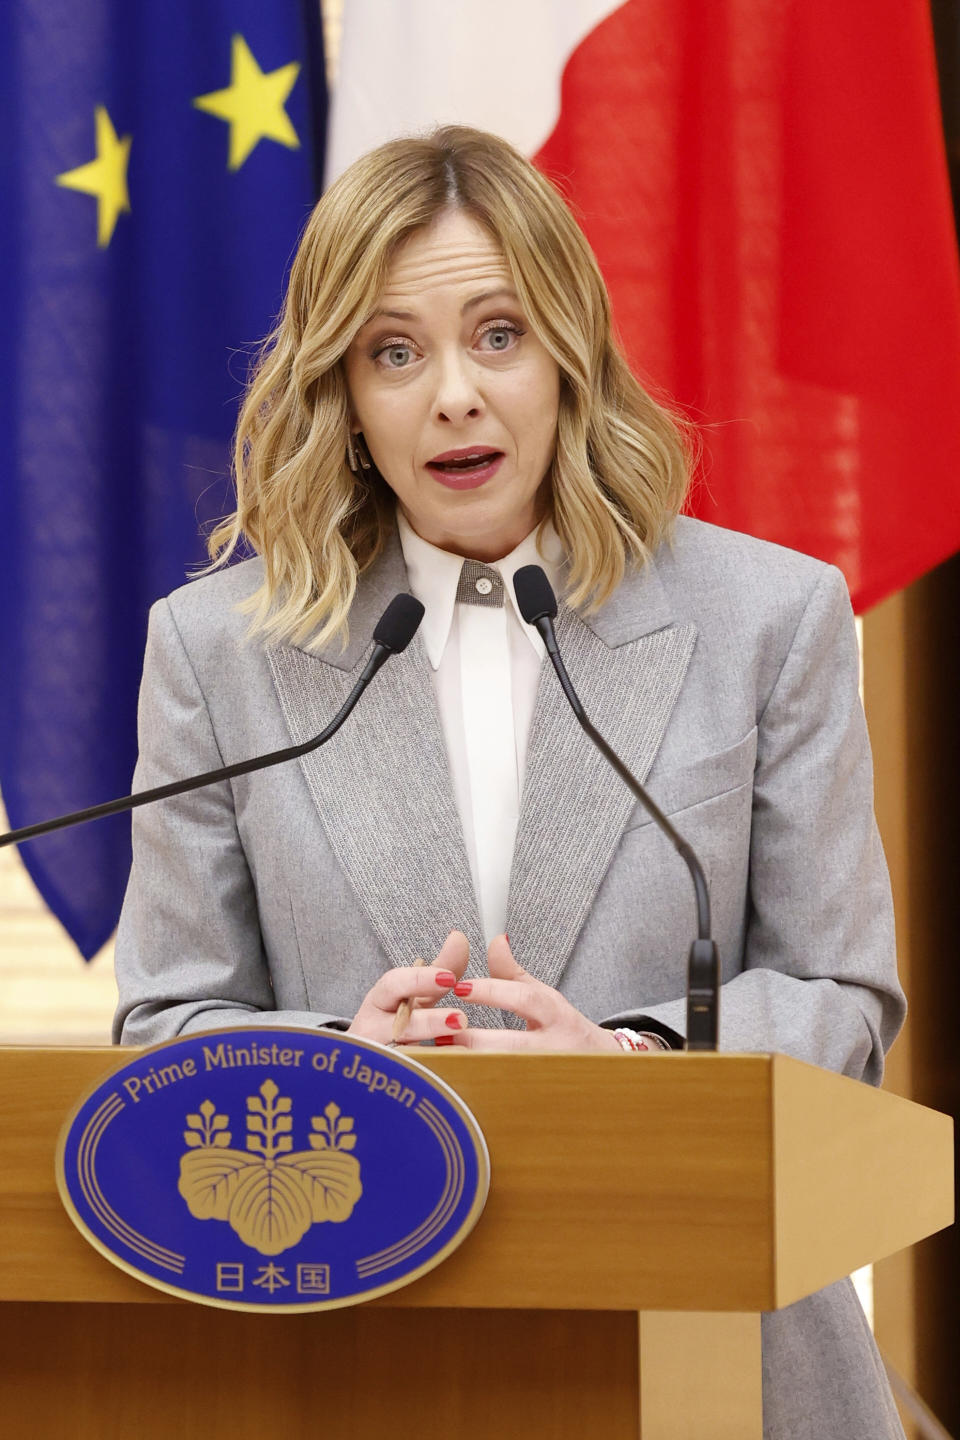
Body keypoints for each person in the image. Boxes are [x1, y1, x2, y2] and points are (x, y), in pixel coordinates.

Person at [113, 126, 906, 1437]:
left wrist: (629, 1061)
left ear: (570, 352)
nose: (453, 398)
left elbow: (842, 993)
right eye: (394, 352)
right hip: (347, 1363)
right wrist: (339, 1069)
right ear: (345, 396)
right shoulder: (215, 653)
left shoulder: (773, 618)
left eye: (498, 333)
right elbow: (167, 1026)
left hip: (726, 1369)